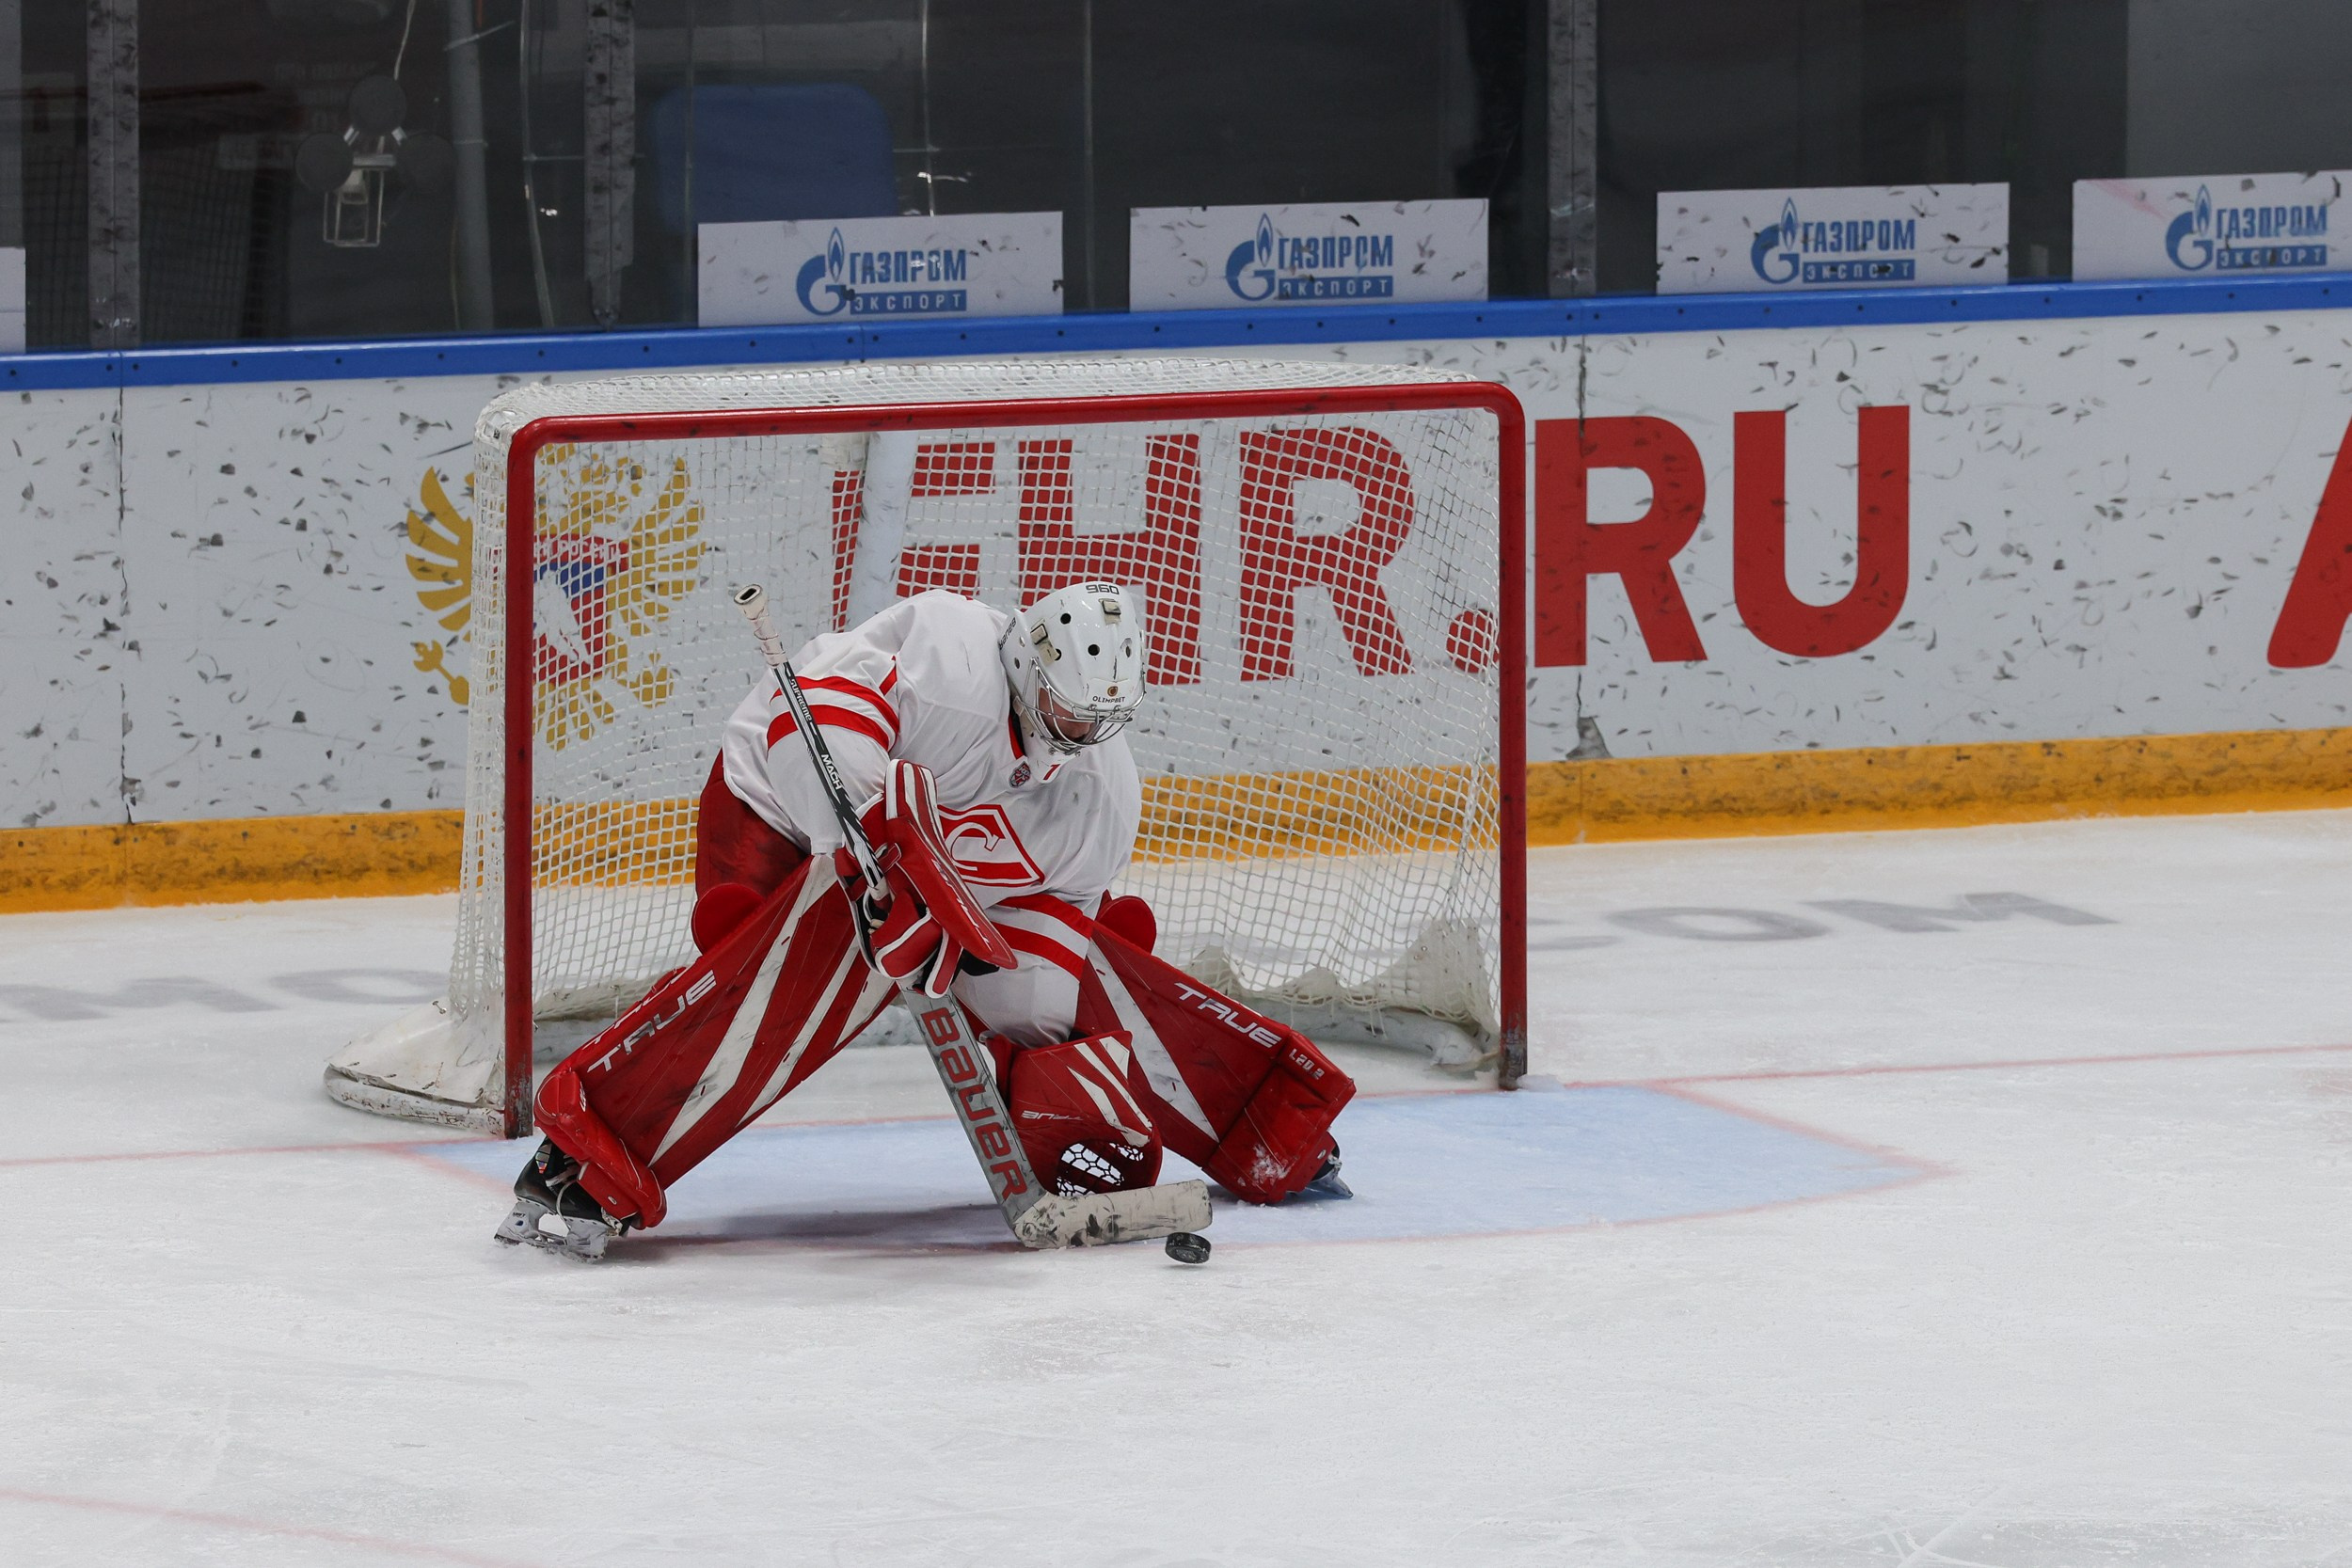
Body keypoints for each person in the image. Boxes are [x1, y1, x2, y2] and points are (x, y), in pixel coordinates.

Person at [501, 581, 1351, 1259]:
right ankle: (597, 1138)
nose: (1080, 734)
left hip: (944, 866)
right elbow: (816, 739)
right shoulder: (949, 655)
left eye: (1099, 722)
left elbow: (1047, 942)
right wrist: (870, 857)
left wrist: (1026, 1031)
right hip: (777, 797)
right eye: (1068, 711)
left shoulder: (1100, 795)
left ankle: (1270, 1121)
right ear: (1026, 666)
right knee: (770, 953)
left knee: (1081, 978)